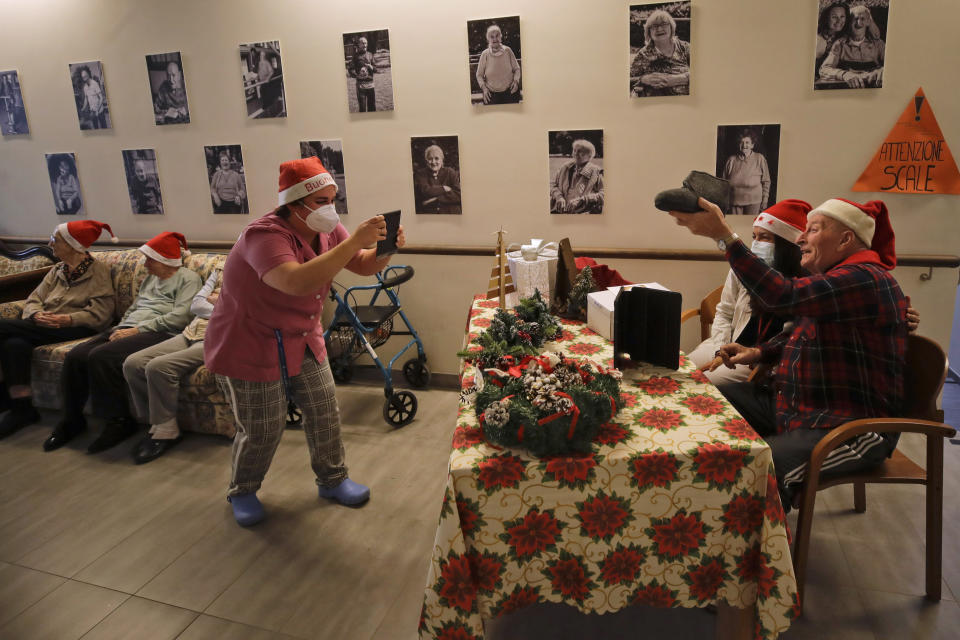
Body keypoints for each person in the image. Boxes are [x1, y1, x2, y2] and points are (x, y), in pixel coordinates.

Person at [204, 156, 405, 526]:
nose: (331, 209)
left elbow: (361, 264)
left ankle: (333, 479)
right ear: (293, 204)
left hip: (302, 336)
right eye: (321, 202)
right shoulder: (263, 236)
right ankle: (243, 489)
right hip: (251, 340)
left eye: (334, 199)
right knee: (263, 427)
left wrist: (385, 248)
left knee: (324, 410)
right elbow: (295, 281)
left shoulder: (327, 229)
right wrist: (355, 242)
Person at [671, 197, 908, 509]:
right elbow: (799, 333)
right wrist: (757, 352)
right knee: (701, 401)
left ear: (846, 239)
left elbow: (782, 295)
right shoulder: (837, 279)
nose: (800, 238)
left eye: (812, 230)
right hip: (797, 407)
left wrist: (724, 236)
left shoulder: (863, 279)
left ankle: (758, 553)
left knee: (758, 469)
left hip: (849, 426)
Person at [43, 232, 202, 454]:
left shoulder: (188, 278)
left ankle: (118, 421)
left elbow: (182, 317)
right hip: (127, 328)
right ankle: (72, 420)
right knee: (76, 356)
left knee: (101, 356)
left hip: (159, 331)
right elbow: (135, 308)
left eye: (150, 259)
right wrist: (121, 327)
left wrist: (136, 330)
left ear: (166, 260)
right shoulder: (150, 279)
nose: (145, 264)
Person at [0, 221, 117, 439]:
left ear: (73, 245)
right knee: (14, 345)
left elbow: (101, 314)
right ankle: (21, 408)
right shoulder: (57, 270)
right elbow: (34, 299)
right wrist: (35, 314)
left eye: (56, 239)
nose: (49, 243)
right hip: (42, 325)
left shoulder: (98, 271)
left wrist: (68, 319)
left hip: (76, 328)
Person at [687, 199, 811, 385]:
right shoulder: (741, 269)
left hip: (760, 361)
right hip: (728, 343)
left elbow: (789, 340)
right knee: (681, 371)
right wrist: (721, 349)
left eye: (765, 238)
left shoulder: (803, 282)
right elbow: (725, 312)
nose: (756, 243)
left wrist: (755, 359)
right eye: (754, 237)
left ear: (787, 245)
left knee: (704, 384)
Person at [122, 267, 221, 464]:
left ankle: (167, 431)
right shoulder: (219, 271)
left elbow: (242, 312)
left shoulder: (255, 272)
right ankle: (155, 422)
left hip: (221, 335)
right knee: (133, 363)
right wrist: (219, 304)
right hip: (191, 331)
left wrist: (218, 303)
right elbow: (196, 305)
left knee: (158, 367)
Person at [819, 3, 885, 89]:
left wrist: (884, 70)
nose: (859, 23)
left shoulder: (878, 44)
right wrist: (844, 74)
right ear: (849, 22)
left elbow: (895, 64)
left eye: (862, 19)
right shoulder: (840, 45)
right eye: (855, 19)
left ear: (868, 22)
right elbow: (824, 69)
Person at [630, 9, 690, 97]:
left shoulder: (685, 47)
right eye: (654, 26)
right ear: (649, 32)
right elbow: (628, 79)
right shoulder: (643, 54)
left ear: (671, 27)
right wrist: (643, 79)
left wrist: (678, 79)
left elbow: (704, 72)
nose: (659, 29)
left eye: (664, 24)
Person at [722, 129, 771, 215]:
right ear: (738, 144)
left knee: (750, 226)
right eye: (741, 142)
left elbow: (766, 181)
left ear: (752, 145)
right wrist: (724, 200)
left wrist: (765, 200)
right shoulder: (731, 160)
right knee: (736, 226)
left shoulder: (759, 158)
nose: (744, 145)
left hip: (754, 201)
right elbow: (723, 183)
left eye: (747, 142)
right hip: (734, 201)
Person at [549, 139, 604, 214]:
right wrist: (559, 197)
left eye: (580, 151)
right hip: (559, 211)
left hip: (583, 214)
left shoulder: (596, 171)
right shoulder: (565, 167)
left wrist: (584, 199)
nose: (575, 154)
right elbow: (552, 185)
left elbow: (604, 194)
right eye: (574, 150)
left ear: (589, 156)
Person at [475, 24, 521, 105]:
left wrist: (516, 81)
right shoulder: (485, 54)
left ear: (500, 37)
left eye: (497, 36)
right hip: (491, 94)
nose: (495, 39)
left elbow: (516, 69)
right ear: (488, 39)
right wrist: (484, 89)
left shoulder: (508, 50)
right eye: (492, 37)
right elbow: (479, 75)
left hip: (510, 92)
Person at [413, 145, 461, 214]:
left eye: (436, 158)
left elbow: (459, 195)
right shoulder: (421, 174)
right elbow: (425, 191)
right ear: (426, 161)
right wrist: (444, 188)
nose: (433, 162)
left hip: (452, 214)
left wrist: (436, 199)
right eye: (430, 159)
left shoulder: (450, 172)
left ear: (442, 160)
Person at [814, 3, 849, 80]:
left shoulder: (844, 36)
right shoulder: (819, 40)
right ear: (826, 18)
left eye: (842, 16)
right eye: (834, 17)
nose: (839, 20)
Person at [153, 60, 189, 124]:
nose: (171, 80)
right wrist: (166, 112)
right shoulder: (163, 87)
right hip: (170, 122)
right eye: (168, 75)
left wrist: (186, 108)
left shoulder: (186, 84)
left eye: (174, 75)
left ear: (179, 75)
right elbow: (156, 106)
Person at [347, 36, 376, 112]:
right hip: (361, 87)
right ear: (359, 45)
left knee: (372, 108)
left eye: (366, 43)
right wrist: (357, 75)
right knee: (362, 109)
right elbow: (350, 69)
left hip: (371, 86)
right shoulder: (355, 56)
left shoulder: (370, 55)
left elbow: (376, 69)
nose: (364, 45)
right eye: (362, 43)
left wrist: (371, 67)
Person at [77, 65, 108, 129]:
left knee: (104, 127)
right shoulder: (85, 87)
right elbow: (86, 98)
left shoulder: (95, 84)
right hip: (92, 112)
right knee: (95, 127)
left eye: (85, 76)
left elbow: (101, 98)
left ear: (88, 75)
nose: (84, 78)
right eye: (83, 77)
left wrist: (98, 110)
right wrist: (83, 108)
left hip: (99, 111)